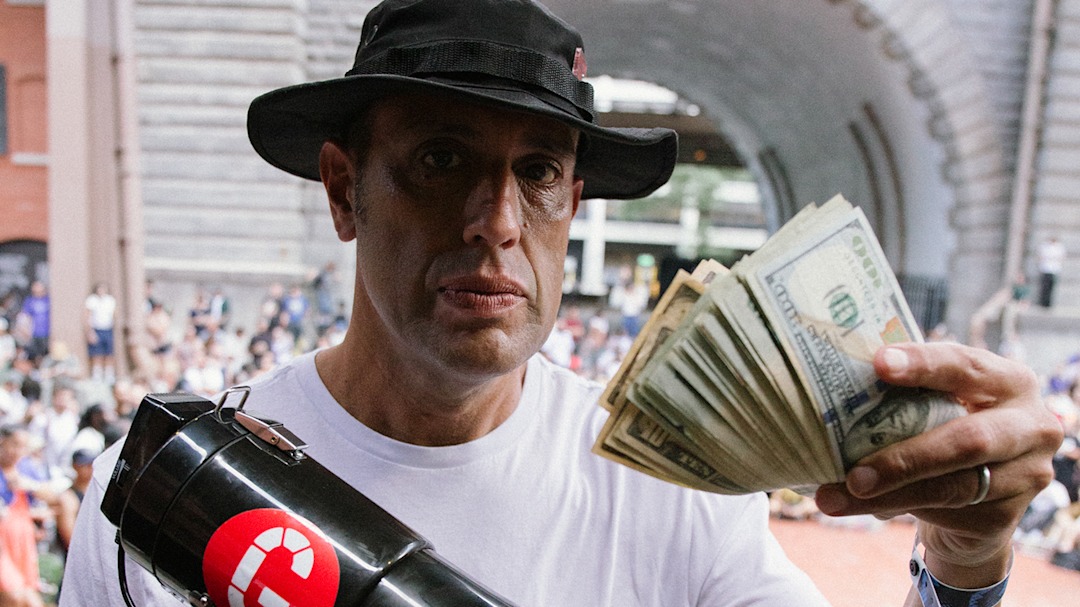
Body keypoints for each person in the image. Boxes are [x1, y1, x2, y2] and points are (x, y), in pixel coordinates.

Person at [60, 1, 1062, 606]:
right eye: (441, 160)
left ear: (572, 203)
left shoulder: (672, 486)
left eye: (538, 172)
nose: (495, 220)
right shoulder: (169, 482)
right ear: (341, 189)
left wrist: (969, 563)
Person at [83, 282, 117, 383]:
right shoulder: (92, 300)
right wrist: (90, 331)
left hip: (107, 328)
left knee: (109, 353)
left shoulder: (110, 300)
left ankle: (108, 374)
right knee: (97, 353)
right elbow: (87, 316)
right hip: (96, 329)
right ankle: (97, 374)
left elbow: (114, 314)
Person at [1037, 235, 1066, 308]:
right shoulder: (1044, 246)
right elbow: (1040, 256)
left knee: (1051, 287)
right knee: (1044, 287)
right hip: (1046, 269)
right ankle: (1043, 303)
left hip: (1055, 270)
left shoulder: (1059, 247)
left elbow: (1061, 258)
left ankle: (1048, 303)